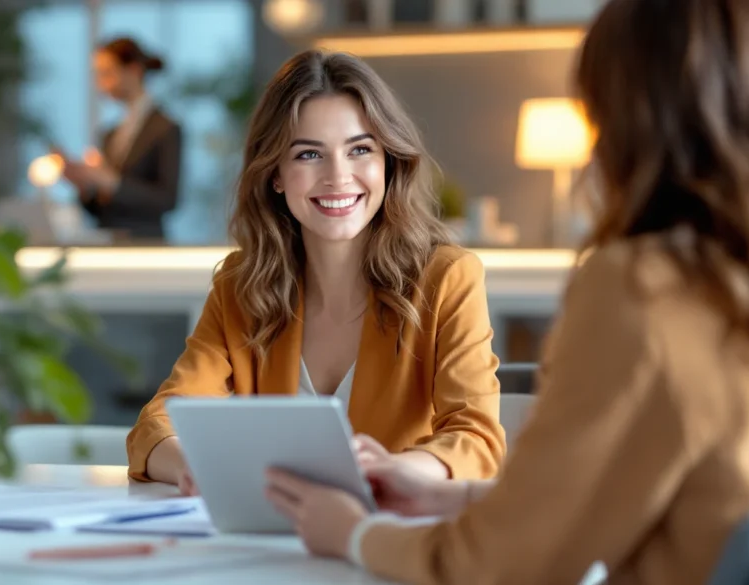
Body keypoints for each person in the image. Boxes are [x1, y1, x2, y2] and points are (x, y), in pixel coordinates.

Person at [263, 0, 749, 583]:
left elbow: (495, 567)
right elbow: (638, 501)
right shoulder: (733, 277)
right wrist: (457, 499)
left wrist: (351, 531)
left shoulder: (638, 287)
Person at [126, 49, 506, 494]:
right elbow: (155, 426)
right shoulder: (240, 284)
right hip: (275, 536)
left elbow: (477, 439)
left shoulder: (448, 278)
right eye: (309, 155)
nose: (338, 177)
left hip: (389, 539)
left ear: (388, 161)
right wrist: (195, 464)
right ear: (276, 174)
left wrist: (401, 471)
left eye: (360, 149)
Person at [59, 37, 181, 240]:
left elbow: (167, 200)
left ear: (133, 70)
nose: (100, 85)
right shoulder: (109, 134)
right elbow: (102, 209)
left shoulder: (166, 129)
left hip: (146, 246)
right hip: (109, 244)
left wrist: (110, 182)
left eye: (107, 73)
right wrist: (84, 186)